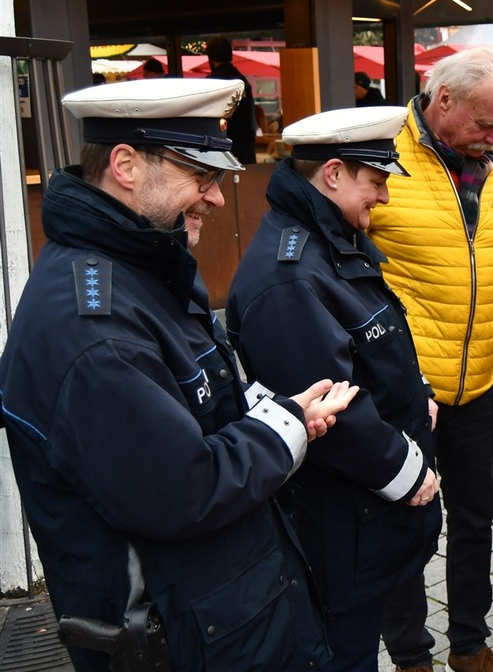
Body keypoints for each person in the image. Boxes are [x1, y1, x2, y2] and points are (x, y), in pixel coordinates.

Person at [0, 77, 359, 672]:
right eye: (201, 175)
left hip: (221, 616)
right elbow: (184, 490)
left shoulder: (144, 266)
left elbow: (197, 406)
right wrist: (286, 430)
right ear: (125, 166)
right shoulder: (94, 328)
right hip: (184, 640)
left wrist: (282, 413)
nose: (216, 198)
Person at [225, 106, 442, 672]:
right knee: (346, 653)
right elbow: (328, 405)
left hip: (364, 519)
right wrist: (408, 473)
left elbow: (369, 335)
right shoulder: (290, 273)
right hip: (342, 524)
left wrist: (415, 388)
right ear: (334, 174)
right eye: (377, 181)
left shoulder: (331, 239)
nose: (385, 197)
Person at [368, 45, 493, 672]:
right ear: (443, 100)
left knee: (474, 520)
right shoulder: (382, 154)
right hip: (407, 390)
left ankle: (468, 644)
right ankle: (410, 655)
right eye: (487, 124)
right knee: (405, 521)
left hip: (479, 386)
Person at [206, 35, 257, 165]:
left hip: (222, 150)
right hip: (246, 150)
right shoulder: (242, 81)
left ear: (210, 58)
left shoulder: (211, 83)